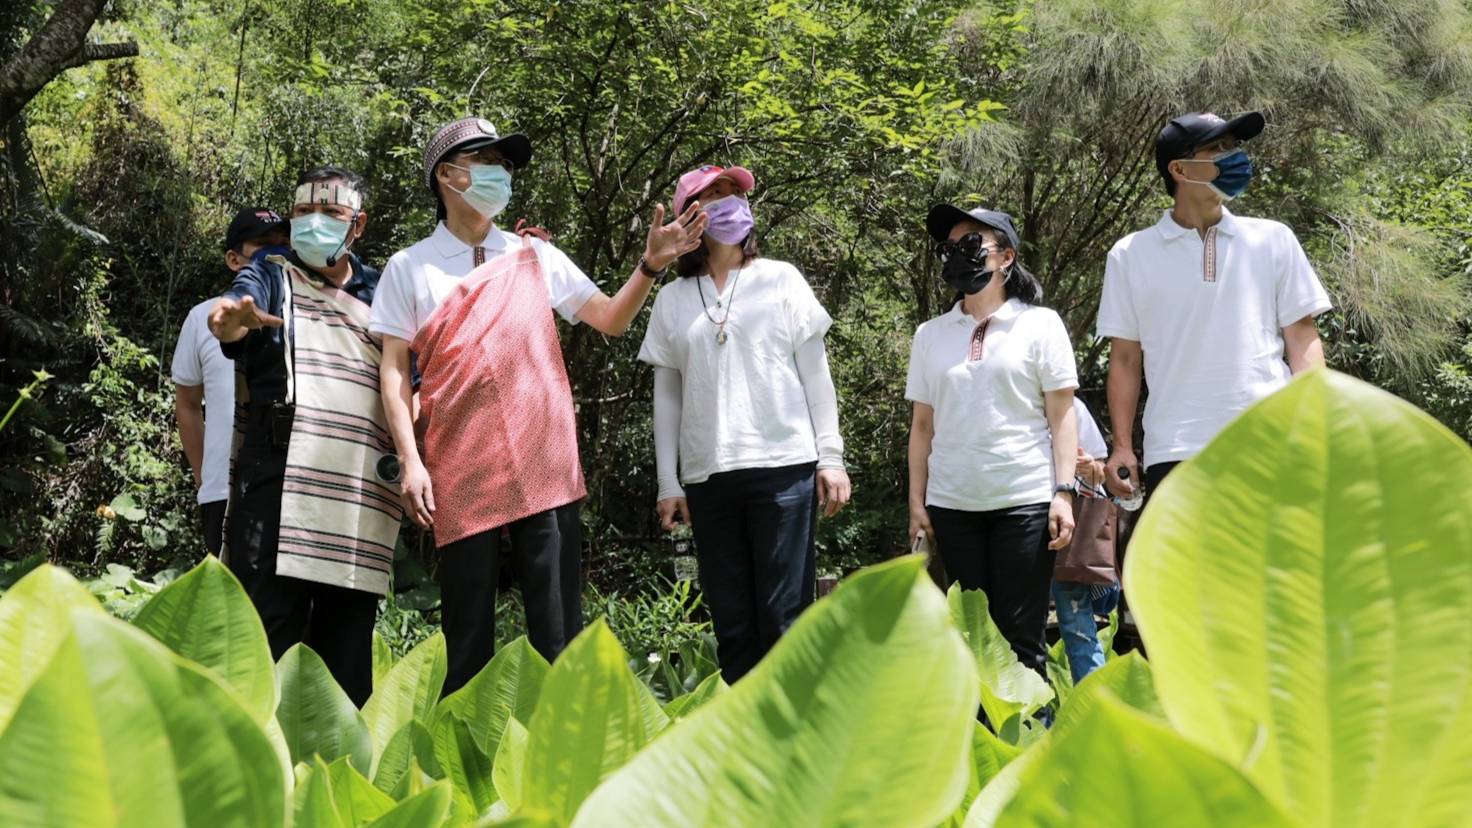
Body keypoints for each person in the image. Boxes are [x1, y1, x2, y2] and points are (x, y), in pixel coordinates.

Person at [371, 117, 708, 695]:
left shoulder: (534, 255)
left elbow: (609, 319)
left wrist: (650, 265)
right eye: (487, 162)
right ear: (447, 177)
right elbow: (395, 369)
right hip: (459, 464)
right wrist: (411, 460)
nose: (501, 175)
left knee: (558, 636)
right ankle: (465, 770)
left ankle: (564, 764)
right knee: (466, 637)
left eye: (505, 164)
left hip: (543, 462)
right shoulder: (410, 266)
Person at [637, 164, 852, 684]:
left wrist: (832, 457)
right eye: (714, 195)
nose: (731, 202)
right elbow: (667, 396)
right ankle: (741, 747)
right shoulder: (671, 299)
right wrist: (669, 481)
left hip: (783, 469)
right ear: (690, 217)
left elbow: (816, 377)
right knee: (732, 625)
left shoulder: (781, 279)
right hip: (709, 477)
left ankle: (792, 747)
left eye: (735, 193)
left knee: (785, 620)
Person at [209, 166, 399, 706]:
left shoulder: (382, 289)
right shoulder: (270, 270)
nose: (315, 224)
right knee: (264, 641)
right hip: (277, 471)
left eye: (332, 215)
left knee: (344, 661)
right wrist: (231, 320)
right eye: (304, 214)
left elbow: (410, 379)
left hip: (358, 488)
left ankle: (331, 785)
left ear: (357, 226)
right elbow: (234, 311)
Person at [1098, 111, 1331, 501]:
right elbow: (1124, 360)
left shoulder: (1273, 239)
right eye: (1218, 148)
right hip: (1175, 448)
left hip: (1270, 441)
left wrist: (1317, 422)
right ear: (1179, 169)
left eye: (1234, 147)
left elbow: (1302, 338)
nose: (1234, 157)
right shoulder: (1130, 254)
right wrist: (1122, 446)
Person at [907, 204, 1078, 679]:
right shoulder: (930, 335)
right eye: (949, 247)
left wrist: (1064, 492)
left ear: (1007, 257)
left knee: (1021, 638)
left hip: (1023, 500)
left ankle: (1025, 747)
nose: (957, 256)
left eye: (971, 244)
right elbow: (923, 426)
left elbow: (1062, 414)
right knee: (967, 639)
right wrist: (916, 503)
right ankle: (978, 749)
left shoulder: (1040, 325)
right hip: (952, 505)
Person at [172, 207, 285, 555]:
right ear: (234, 260)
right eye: (264, 245)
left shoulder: (308, 314)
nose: (277, 254)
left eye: (284, 244)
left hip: (295, 486)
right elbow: (188, 404)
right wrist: (204, 477)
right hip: (225, 491)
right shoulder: (203, 319)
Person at [1051, 396, 1121, 685]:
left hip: (1070, 533)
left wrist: (1090, 467)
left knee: (1078, 626)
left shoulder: (1072, 406)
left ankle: (1094, 708)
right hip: (1014, 526)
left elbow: (1101, 473)